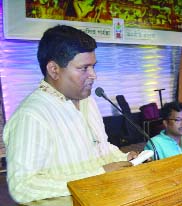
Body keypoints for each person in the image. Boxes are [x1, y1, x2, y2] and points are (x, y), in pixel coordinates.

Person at [3, 25, 138, 204]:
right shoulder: (31, 116)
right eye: (84, 68)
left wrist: (123, 159)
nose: (93, 75)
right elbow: (23, 186)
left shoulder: (87, 100)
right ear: (54, 70)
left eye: (93, 67)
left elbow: (100, 147)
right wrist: (99, 174)